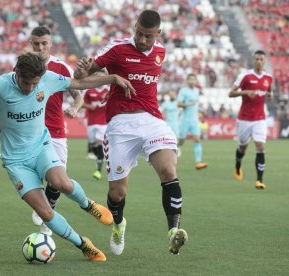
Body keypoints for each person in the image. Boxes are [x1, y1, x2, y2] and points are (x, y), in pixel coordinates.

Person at [0, 52, 135, 262]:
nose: (32, 88)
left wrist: (113, 78)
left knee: (63, 184)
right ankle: (83, 244)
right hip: (15, 161)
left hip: (41, 147)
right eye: (27, 83)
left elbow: (80, 84)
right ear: (17, 73)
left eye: (36, 83)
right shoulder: (0, 84)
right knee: (46, 213)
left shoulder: (48, 78)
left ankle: (89, 205)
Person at [74, 10, 188, 255]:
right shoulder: (117, 48)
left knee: (169, 170)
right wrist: (86, 72)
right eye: (138, 33)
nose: (142, 39)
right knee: (117, 193)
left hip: (152, 121)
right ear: (134, 26)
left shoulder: (160, 53)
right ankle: (118, 224)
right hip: (120, 125)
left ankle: (173, 232)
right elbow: (84, 75)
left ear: (158, 34)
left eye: (148, 36)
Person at [27, 26, 83, 235]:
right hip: (30, 130)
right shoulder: (22, 67)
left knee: (58, 180)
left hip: (56, 130)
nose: (40, 47)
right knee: (34, 172)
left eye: (44, 43)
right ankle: (42, 209)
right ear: (31, 44)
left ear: (51, 43)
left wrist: (75, 108)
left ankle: (47, 214)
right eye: (36, 43)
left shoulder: (61, 68)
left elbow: (77, 95)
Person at [228, 50, 273, 189]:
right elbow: (231, 93)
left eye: (261, 59)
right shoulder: (245, 76)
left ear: (264, 61)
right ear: (253, 60)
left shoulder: (268, 78)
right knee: (242, 147)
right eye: (256, 59)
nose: (259, 61)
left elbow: (269, 91)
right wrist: (245, 92)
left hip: (260, 119)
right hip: (244, 119)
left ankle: (259, 180)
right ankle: (238, 165)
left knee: (260, 147)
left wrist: (270, 96)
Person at [177, 73, 208, 169]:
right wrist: (189, 104)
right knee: (181, 141)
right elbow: (179, 104)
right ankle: (174, 148)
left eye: (193, 79)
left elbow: (196, 105)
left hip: (194, 120)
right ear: (187, 80)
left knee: (197, 139)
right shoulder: (183, 91)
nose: (192, 81)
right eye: (190, 79)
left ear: (196, 81)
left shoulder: (196, 91)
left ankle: (199, 162)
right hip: (185, 119)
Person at [83, 71, 108, 180]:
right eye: (98, 76)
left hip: (103, 123)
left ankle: (98, 170)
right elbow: (81, 103)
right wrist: (89, 106)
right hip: (91, 122)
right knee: (93, 145)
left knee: (99, 142)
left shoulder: (108, 90)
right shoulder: (89, 90)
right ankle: (98, 155)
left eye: (102, 77)